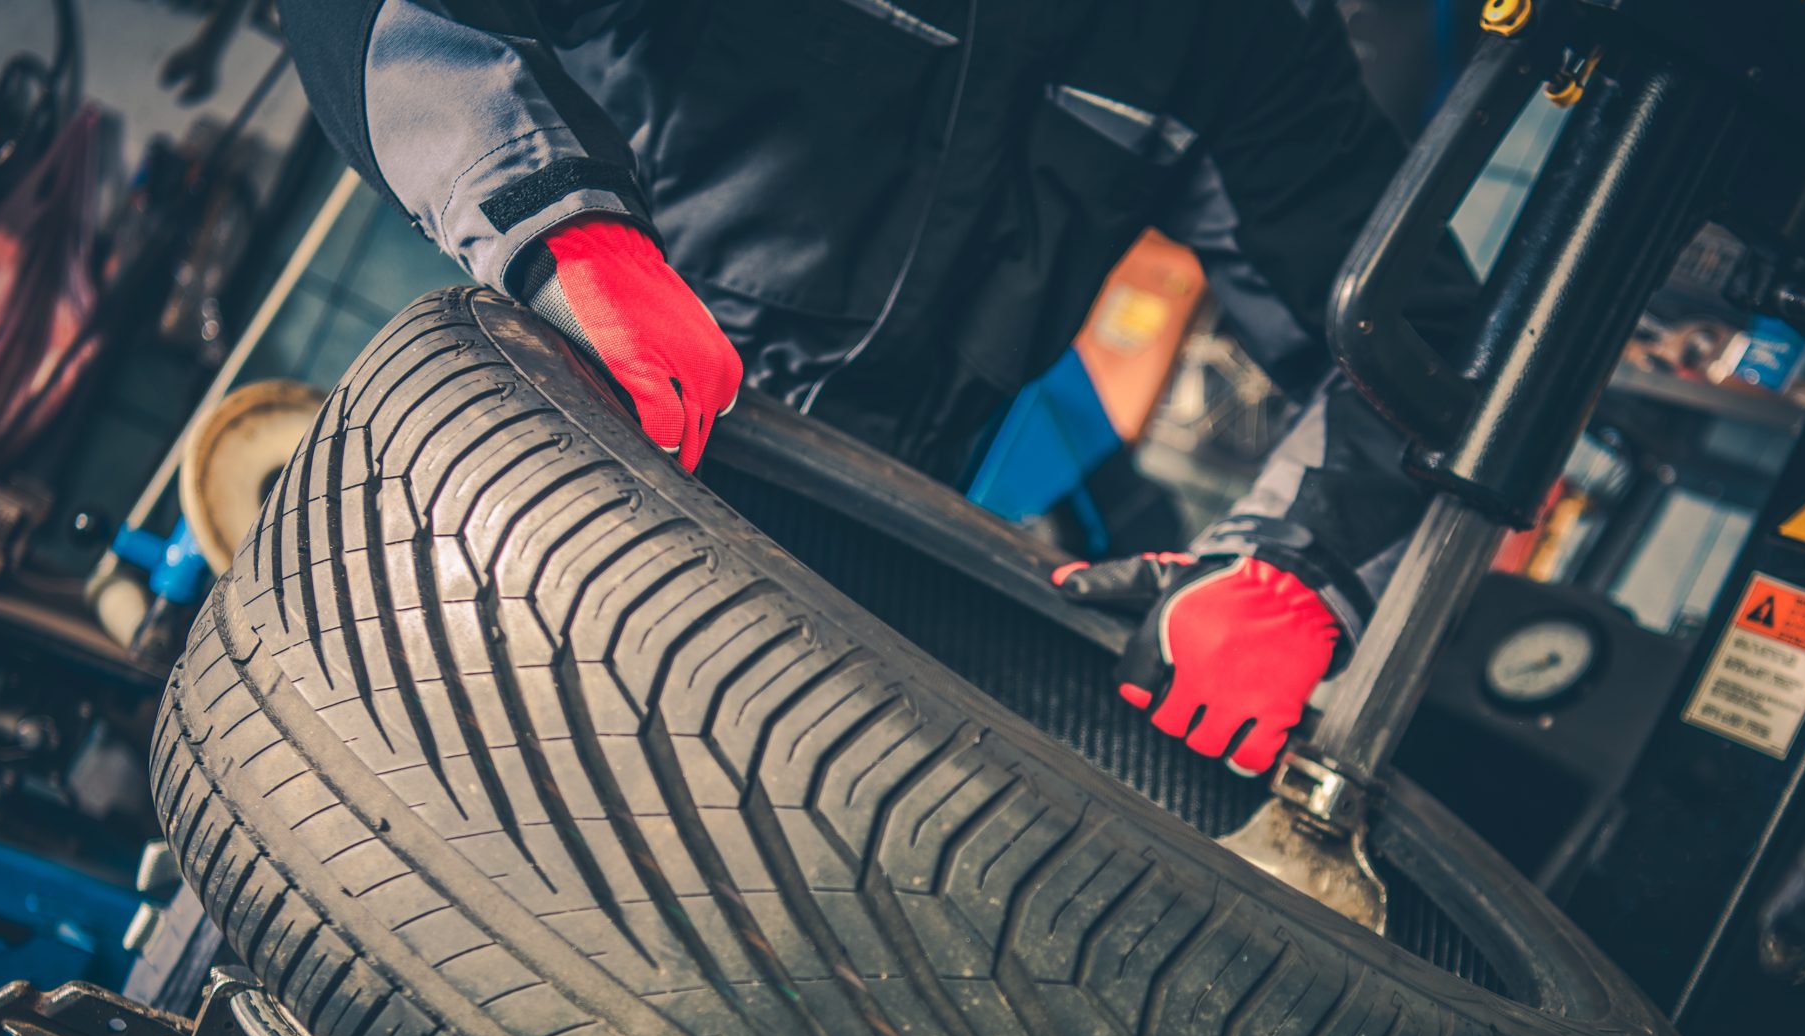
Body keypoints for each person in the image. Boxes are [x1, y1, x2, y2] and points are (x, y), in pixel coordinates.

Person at [281, 0, 1467, 777]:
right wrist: (564, 227)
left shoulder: (1232, 36)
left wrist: (1296, 561)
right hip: (524, 503)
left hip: (825, 630)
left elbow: (1426, 340)